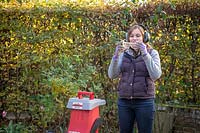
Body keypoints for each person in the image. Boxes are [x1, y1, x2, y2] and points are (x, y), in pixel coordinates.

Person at [108, 24, 162, 133]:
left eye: (138, 36)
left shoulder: (152, 53)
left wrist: (145, 54)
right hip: (124, 101)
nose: (134, 38)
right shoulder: (123, 54)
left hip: (144, 101)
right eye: (131, 36)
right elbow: (112, 75)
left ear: (144, 38)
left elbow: (155, 75)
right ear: (128, 38)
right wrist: (116, 56)